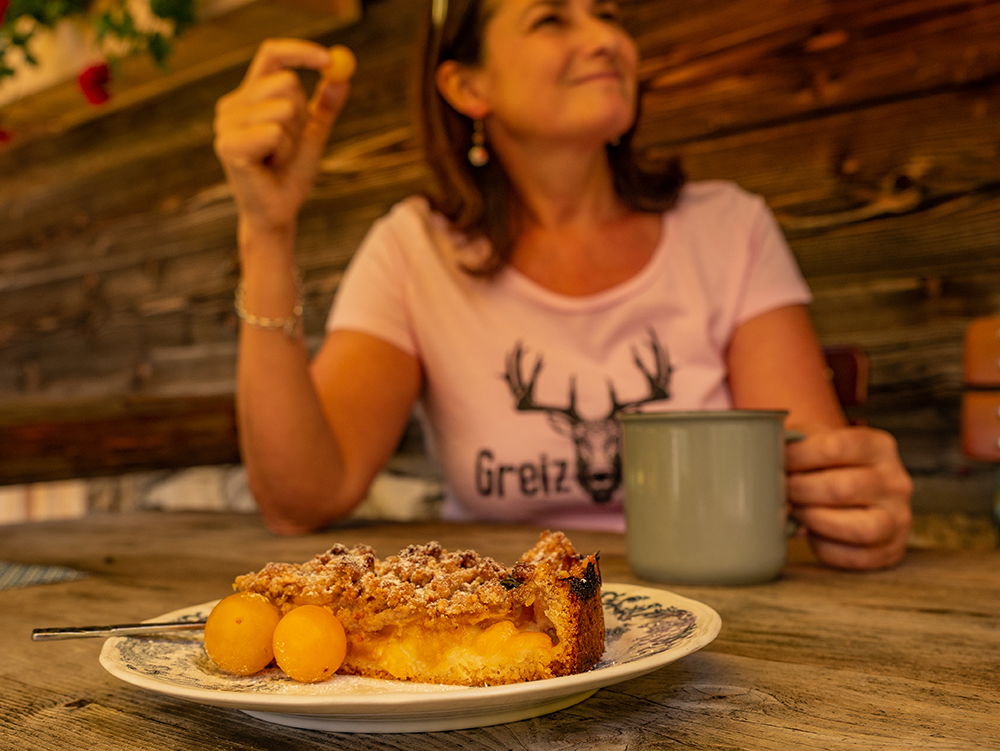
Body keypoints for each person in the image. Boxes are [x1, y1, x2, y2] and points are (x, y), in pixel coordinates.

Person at [213, 0, 913, 569]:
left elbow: (810, 458)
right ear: (468, 86)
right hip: (506, 628)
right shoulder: (412, 249)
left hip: (726, 619)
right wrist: (266, 231)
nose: (604, 38)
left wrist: (853, 497)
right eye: (553, 17)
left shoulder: (731, 227)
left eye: (609, 13)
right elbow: (301, 497)